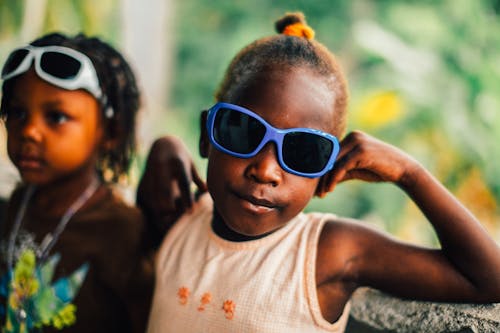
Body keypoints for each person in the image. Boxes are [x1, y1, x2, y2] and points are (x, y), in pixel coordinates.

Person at [140, 12, 500, 333]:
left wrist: (409, 173)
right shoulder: (180, 216)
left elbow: (488, 278)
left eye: (302, 152)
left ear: (329, 167)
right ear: (208, 136)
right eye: (242, 130)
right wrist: (164, 146)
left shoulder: (329, 252)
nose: (266, 170)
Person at [0, 32, 154, 332]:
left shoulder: (123, 232)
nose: (29, 131)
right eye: (17, 112)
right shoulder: (12, 208)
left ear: (110, 132)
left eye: (56, 117)